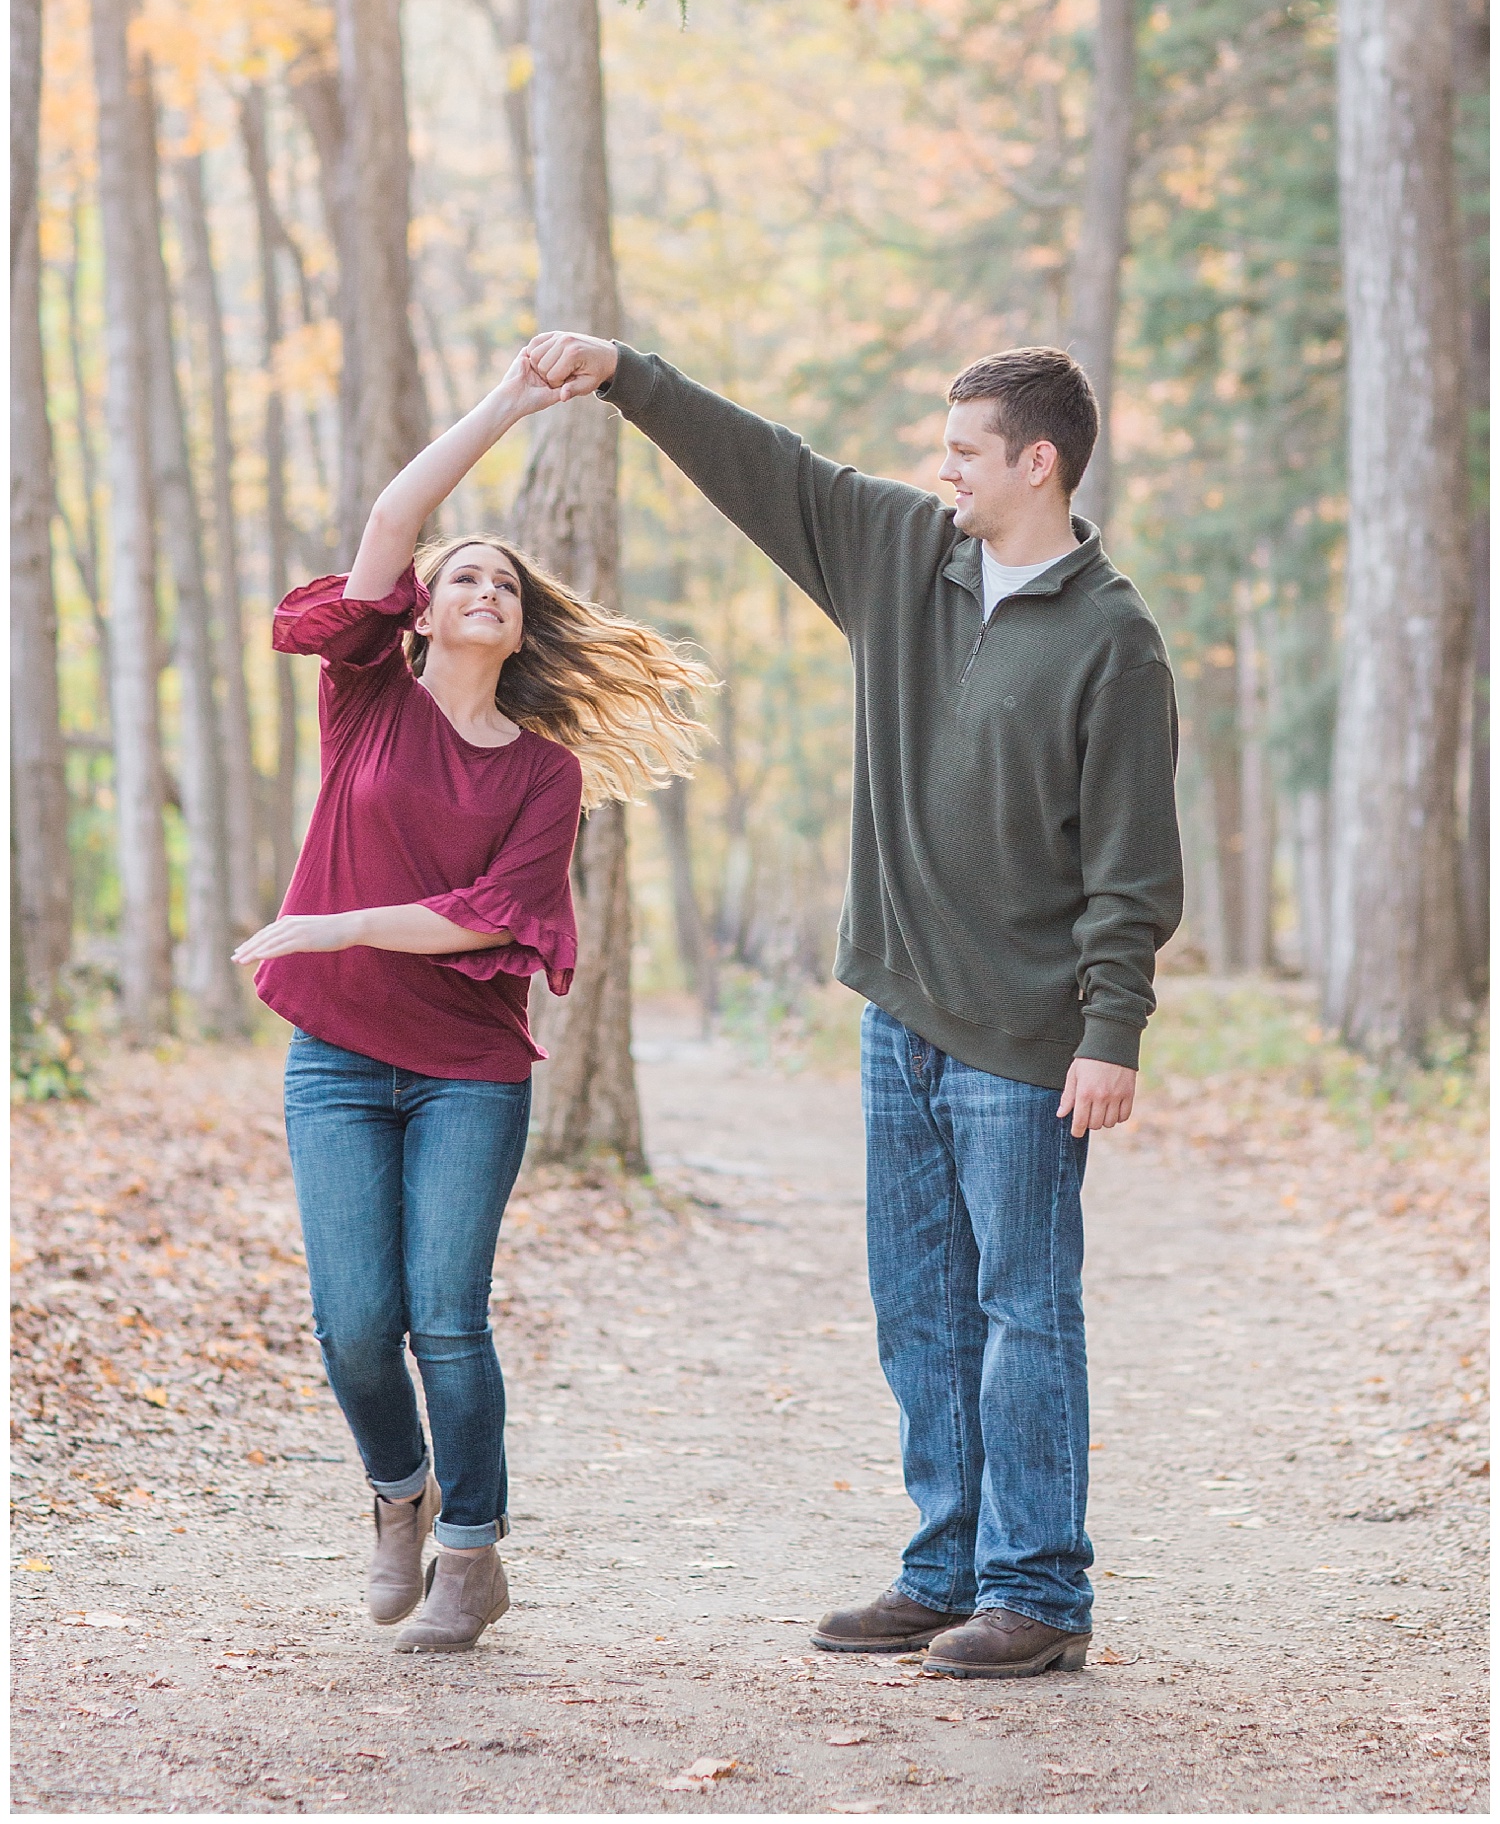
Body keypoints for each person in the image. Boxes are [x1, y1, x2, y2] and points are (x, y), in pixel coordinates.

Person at [522, 330, 1182, 1681]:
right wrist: (630, 373)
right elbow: (766, 466)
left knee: (1025, 1309)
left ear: (1036, 463)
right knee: (919, 1304)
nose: (940, 470)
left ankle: (1040, 1589)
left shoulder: (1114, 643)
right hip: (901, 1014)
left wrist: (1110, 1033)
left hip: (1023, 1038)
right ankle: (945, 1570)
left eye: (964, 452)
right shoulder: (899, 557)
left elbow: (1132, 867)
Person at [231, 354, 709, 1653]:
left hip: (470, 1074)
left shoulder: (541, 774)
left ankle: (472, 1549)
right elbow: (391, 525)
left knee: (445, 1313)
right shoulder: (366, 693)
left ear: (519, 622)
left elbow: (477, 923)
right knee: (352, 1323)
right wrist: (503, 406)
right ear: (425, 615)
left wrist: (330, 920)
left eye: (502, 579)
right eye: (463, 577)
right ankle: (399, 1495)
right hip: (337, 1055)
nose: (483, 586)